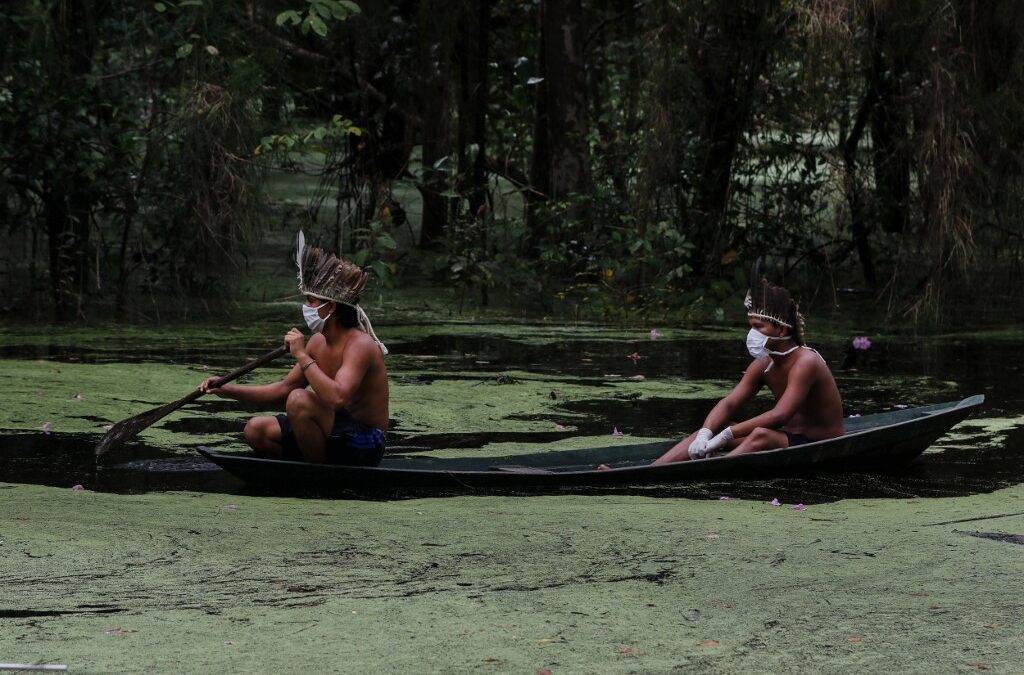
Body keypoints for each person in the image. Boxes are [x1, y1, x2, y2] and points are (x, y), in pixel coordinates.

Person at [200, 232, 390, 465]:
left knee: (299, 400)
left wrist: (301, 354)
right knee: (255, 430)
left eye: (310, 301)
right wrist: (226, 388)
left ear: (330, 307)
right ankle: (308, 465)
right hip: (332, 431)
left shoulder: (360, 345)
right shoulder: (318, 341)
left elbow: (337, 398)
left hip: (365, 442)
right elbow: (283, 389)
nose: (305, 307)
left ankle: (319, 475)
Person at [653, 262, 844, 464]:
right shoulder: (764, 364)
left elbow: (780, 415)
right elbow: (729, 403)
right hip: (789, 439)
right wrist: (706, 433)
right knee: (712, 430)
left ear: (781, 330)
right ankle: (652, 470)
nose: (752, 334)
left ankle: (709, 473)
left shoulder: (806, 361)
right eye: (751, 326)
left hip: (822, 442)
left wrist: (728, 434)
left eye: (758, 327)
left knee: (760, 435)